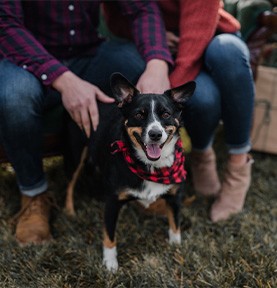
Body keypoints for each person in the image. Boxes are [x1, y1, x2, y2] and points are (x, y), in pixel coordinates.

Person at [0, 1, 173, 246]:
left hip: (89, 54)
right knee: (13, 96)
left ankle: (137, 180)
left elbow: (142, 7)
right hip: (26, 61)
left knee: (135, 65)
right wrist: (64, 79)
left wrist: (157, 63)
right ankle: (33, 194)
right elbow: (5, 24)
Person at [103, 0, 255, 222]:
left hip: (205, 35)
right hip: (156, 43)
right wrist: (157, 40)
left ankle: (238, 165)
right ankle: (202, 155)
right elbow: (118, 20)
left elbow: (197, 32)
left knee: (227, 51)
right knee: (204, 98)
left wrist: (162, 98)